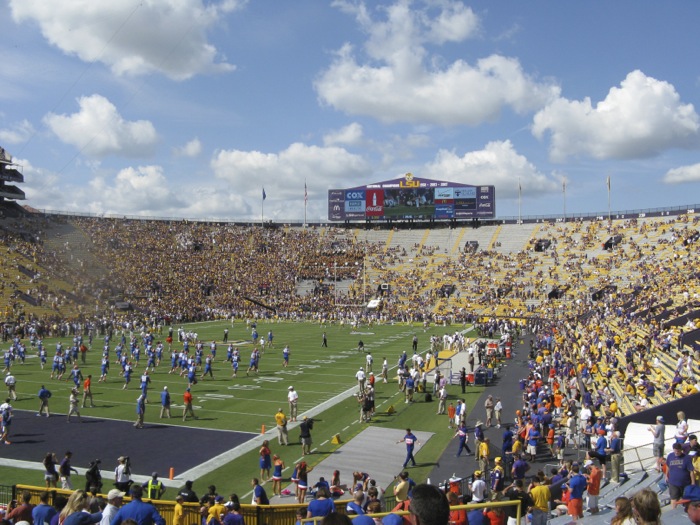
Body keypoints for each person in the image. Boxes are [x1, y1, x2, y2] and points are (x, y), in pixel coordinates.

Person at [667, 442, 696, 508]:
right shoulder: (670, 456)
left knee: (686, 499)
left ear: (681, 450)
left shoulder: (686, 458)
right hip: (673, 483)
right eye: (675, 450)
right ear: (673, 450)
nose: (677, 452)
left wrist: (693, 483)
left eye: (678, 451)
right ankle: (673, 513)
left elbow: (691, 471)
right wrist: (666, 476)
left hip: (685, 483)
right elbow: (668, 467)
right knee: (674, 499)